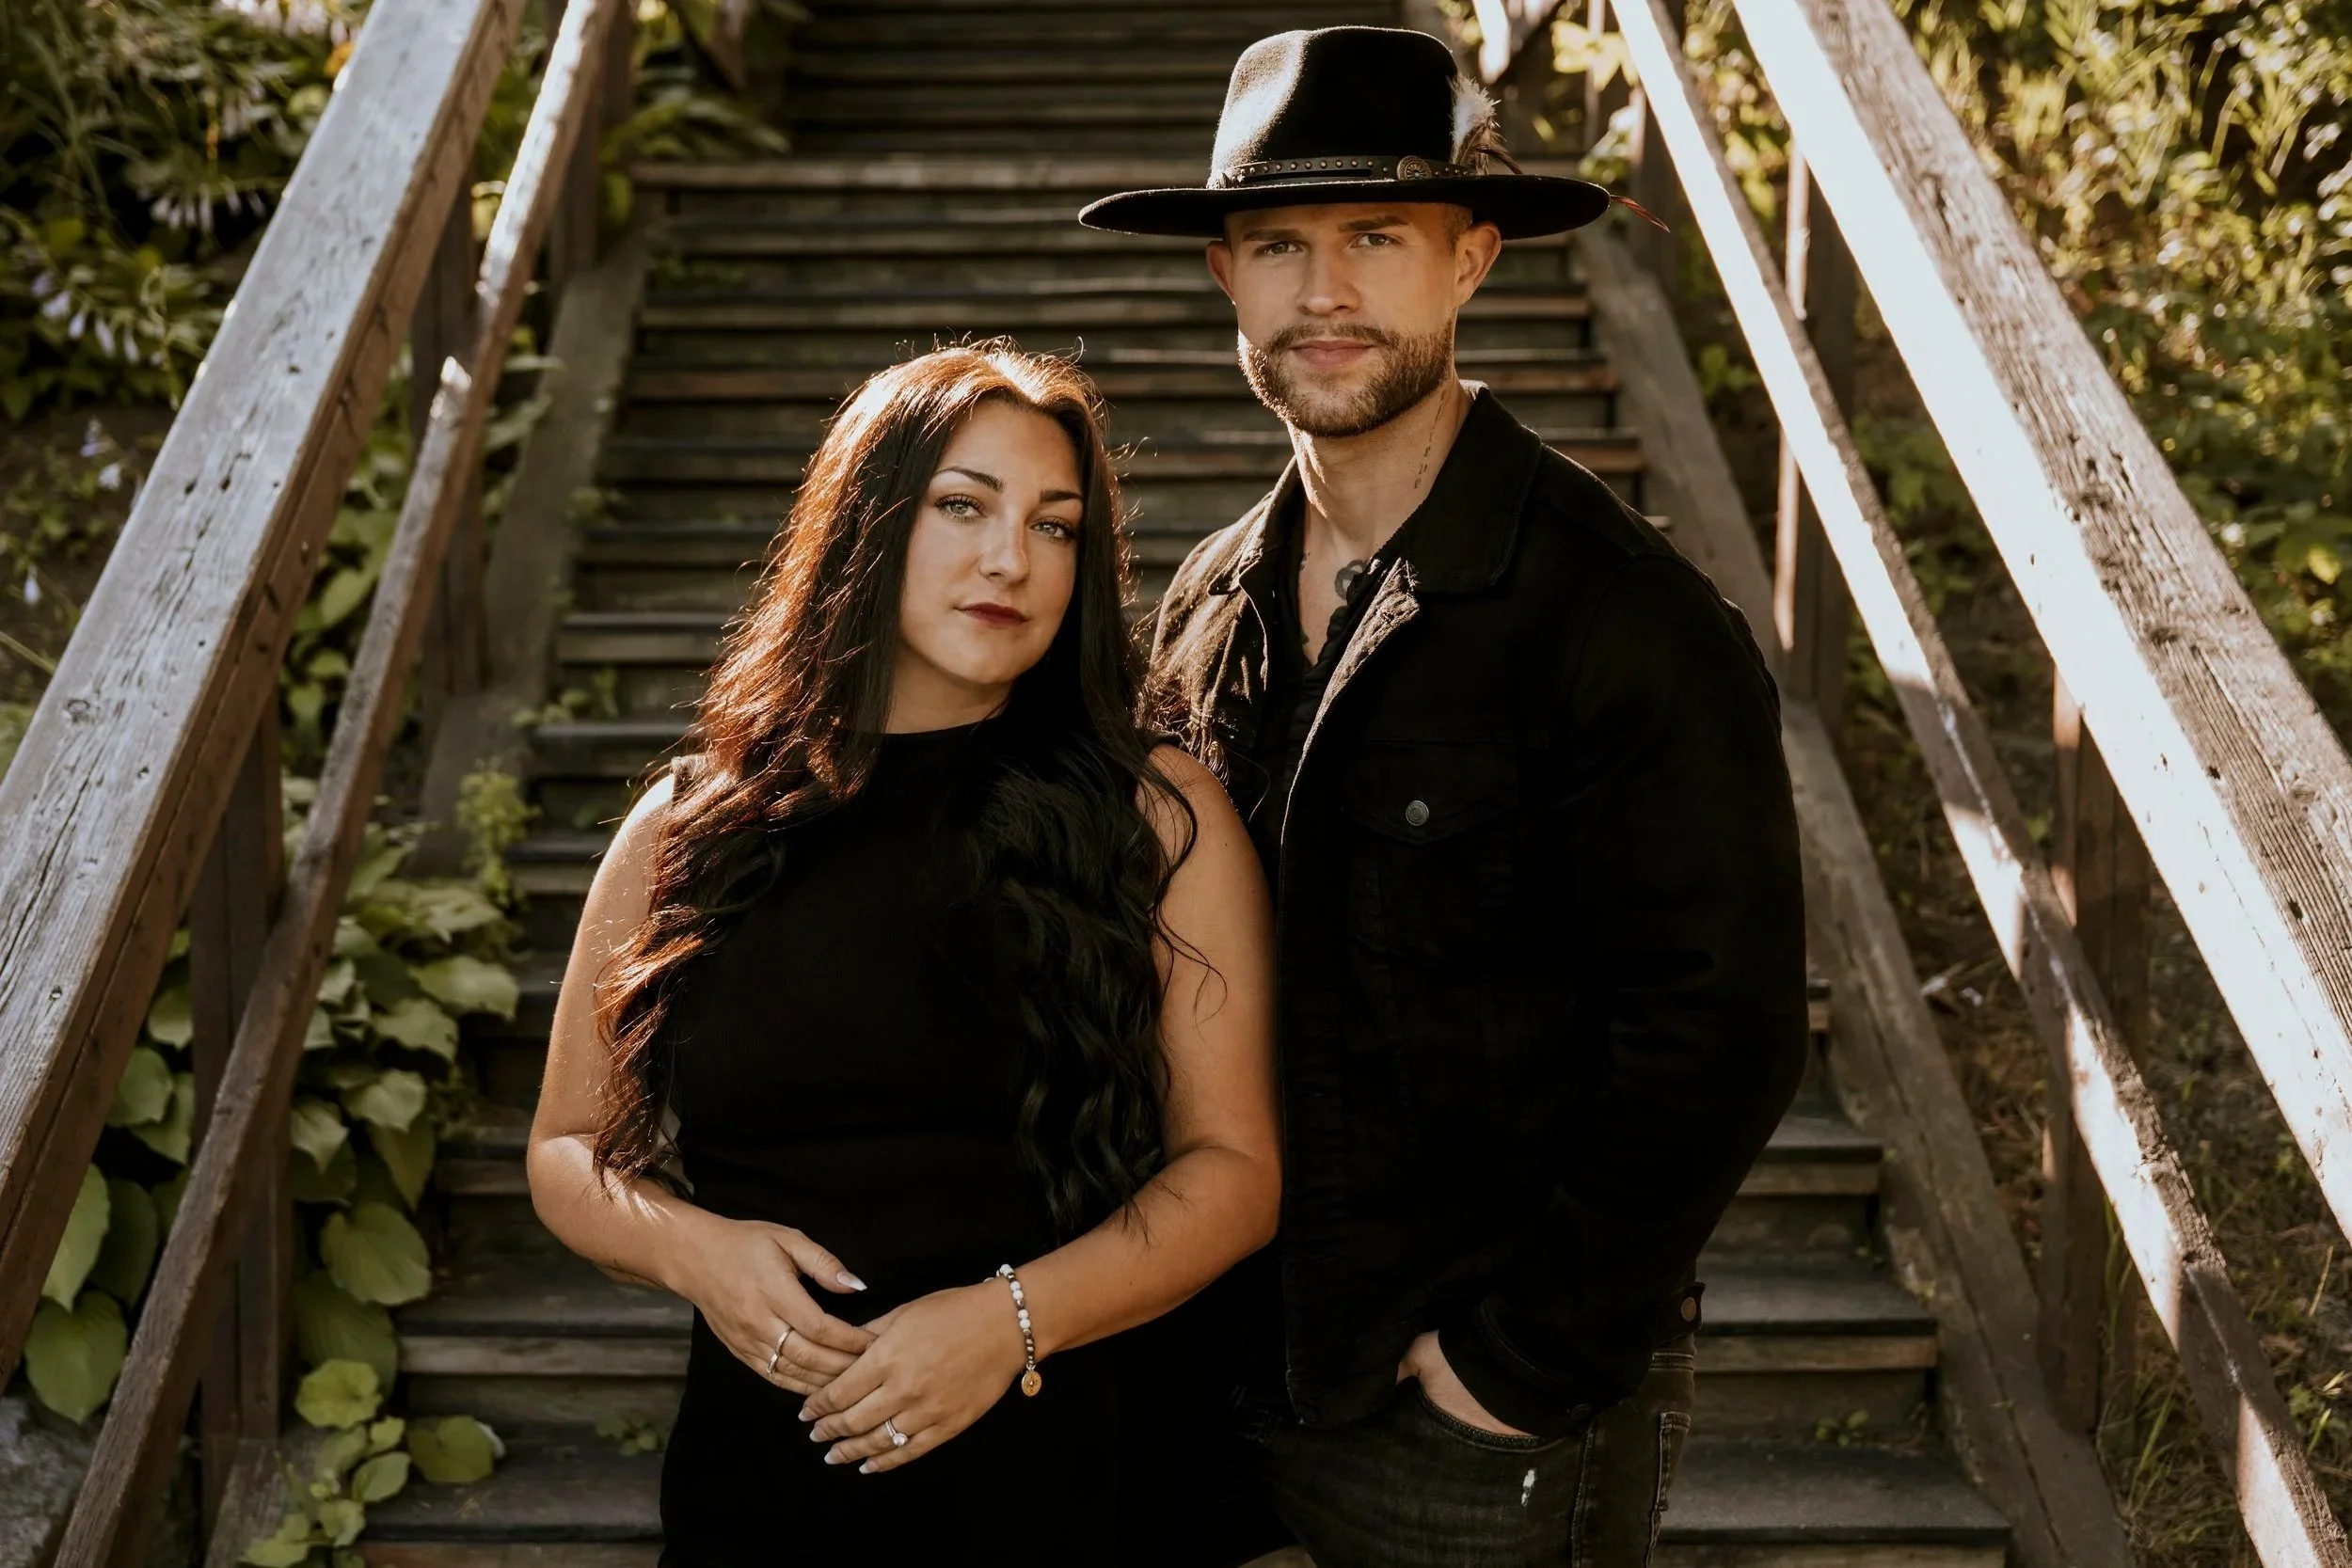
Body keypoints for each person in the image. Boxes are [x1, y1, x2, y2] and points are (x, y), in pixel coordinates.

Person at [1083, 27, 1809, 1567]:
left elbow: (1718, 1029)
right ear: (1226, 278)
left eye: (1376, 241)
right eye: (1279, 244)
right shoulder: (1208, 601)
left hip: (1466, 1415)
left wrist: (1514, 1365)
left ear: (1471, 261)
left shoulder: (1622, 619)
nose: (1324, 293)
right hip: (1211, 1368)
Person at [526, 344, 1280, 1565]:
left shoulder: (1154, 814)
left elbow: (1236, 1169)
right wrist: (696, 1252)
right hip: (771, 1478)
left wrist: (1008, 1322)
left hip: (1076, 1470)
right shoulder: (689, 823)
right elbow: (566, 1147)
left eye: (1056, 525)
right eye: (963, 506)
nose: (1010, 560)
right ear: (868, 520)